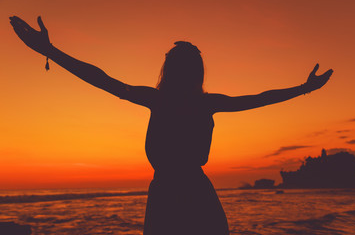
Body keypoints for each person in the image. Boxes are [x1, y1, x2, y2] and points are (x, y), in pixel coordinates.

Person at [9, 16, 333, 235]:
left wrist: (49, 50)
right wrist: (304, 89)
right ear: (197, 73)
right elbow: (259, 98)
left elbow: (101, 79)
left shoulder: (162, 100)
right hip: (189, 192)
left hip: (173, 193)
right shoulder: (199, 103)